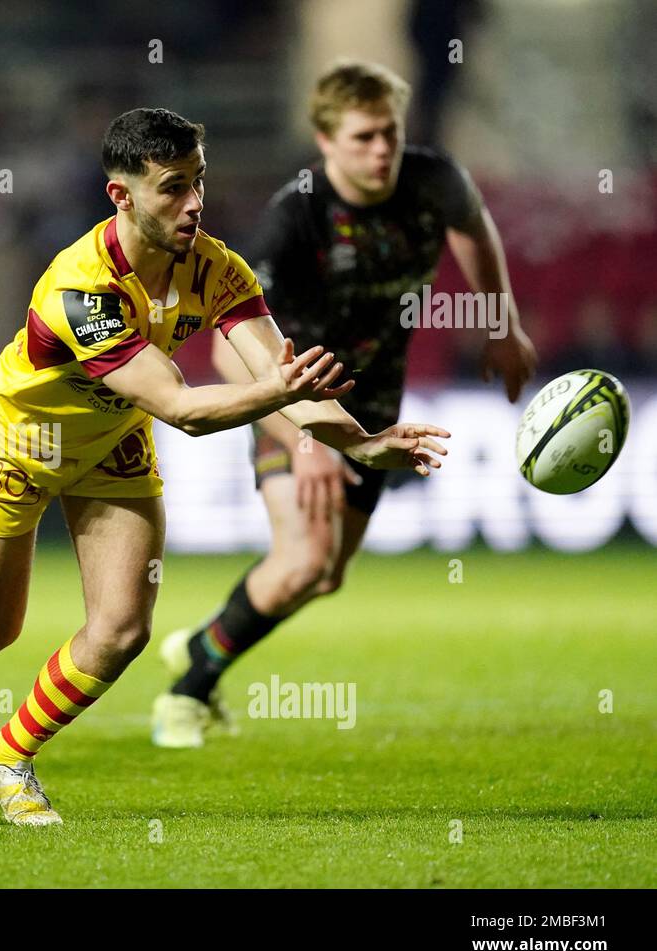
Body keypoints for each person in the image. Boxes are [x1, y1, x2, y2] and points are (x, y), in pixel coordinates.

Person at [0, 108, 448, 825]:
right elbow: (183, 408)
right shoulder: (80, 286)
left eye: (198, 181)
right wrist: (283, 392)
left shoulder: (216, 267)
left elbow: (279, 370)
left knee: (122, 628)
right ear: (123, 196)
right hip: (20, 440)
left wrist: (360, 442)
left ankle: (8, 757)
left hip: (110, 441)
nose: (194, 201)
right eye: (173, 187)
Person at [150, 60, 536, 748]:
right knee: (302, 561)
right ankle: (186, 693)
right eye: (363, 138)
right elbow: (225, 355)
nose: (382, 149)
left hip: (377, 408)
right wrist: (306, 439)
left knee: (325, 575)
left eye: (389, 132)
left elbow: (474, 229)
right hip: (289, 400)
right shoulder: (293, 220)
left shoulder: (433, 180)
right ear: (326, 143)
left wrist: (502, 325)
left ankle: (203, 642)